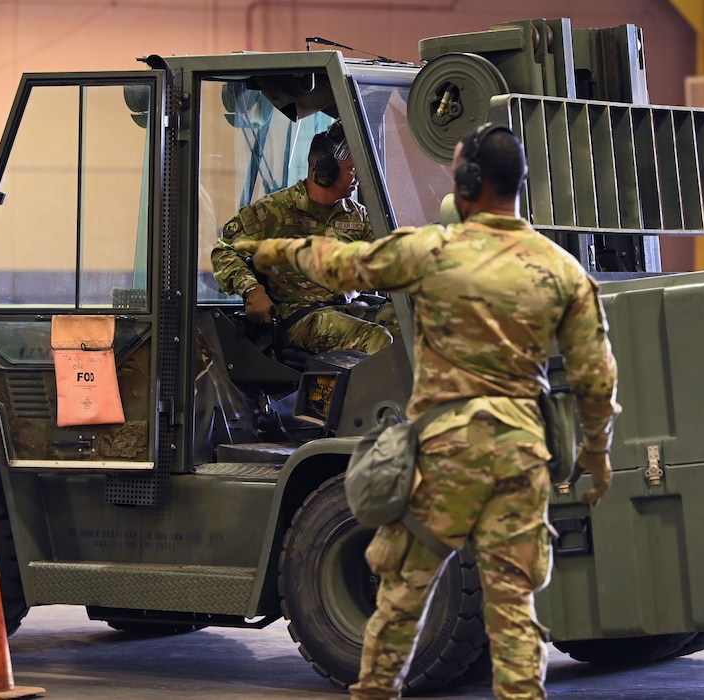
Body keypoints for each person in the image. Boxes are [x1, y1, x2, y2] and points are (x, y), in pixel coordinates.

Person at [241, 123, 621, 699]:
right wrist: (595, 452)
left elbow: (346, 265)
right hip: (520, 457)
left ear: (465, 184)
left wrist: (275, 251)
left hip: (444, 456)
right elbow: (597, 379)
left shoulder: (434, 252)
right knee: (514, 609)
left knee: (400, 598)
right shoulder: (562, 270)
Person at [210, 120, 396, 356]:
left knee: (411, 325)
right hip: (299, 317)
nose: (358, 176)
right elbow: (225, 250)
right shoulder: (276, 210)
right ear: (325, 171)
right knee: (377, 339)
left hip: (348, 308)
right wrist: (252, 290)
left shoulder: (356, 214)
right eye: (352, 169)